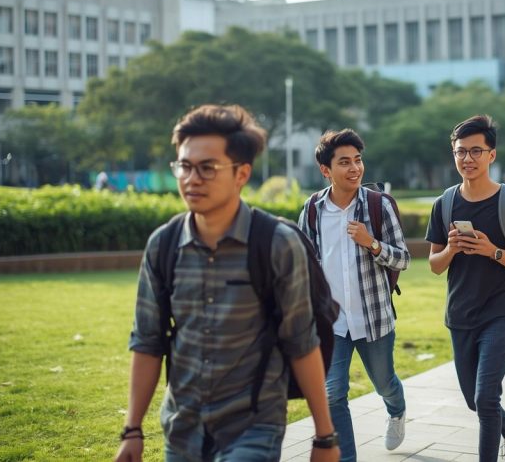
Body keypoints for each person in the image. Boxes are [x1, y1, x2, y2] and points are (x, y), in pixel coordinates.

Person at [115, 104, 338, 462]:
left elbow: (301, 341)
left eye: (207, 168)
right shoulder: (164, 245)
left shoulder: (277, 243)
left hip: (254, 425)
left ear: (241, 173)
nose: (191, 178)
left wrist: (324, 436)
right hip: (181, 429)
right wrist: (132, 429)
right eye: (184, 166)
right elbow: (147, 341)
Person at [425, 115, 505, 462]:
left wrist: (493, 251)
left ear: (492, 155)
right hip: (460, 313)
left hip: (499, 311)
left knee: (486, 397)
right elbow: (434, 264)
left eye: (476, 151)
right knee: (474, 400)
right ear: (453, 154)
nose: (468, 159)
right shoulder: (444, 204)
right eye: (461, 152)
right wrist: (451, 249)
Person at [298, 129, 410, 462]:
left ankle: (397, 409)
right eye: (344, 162)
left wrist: (372, 243)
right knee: (333, 395)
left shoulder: (379, 205)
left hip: (374, 318)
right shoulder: (314, 210)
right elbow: (303, 262)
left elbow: (403, 258)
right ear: (325, 170)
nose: (354, 168)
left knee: (384, 382)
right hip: (332, 322)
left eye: (358, 160)